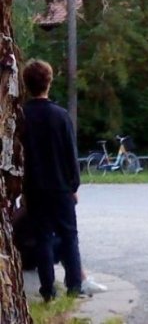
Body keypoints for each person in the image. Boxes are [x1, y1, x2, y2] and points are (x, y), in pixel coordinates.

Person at [22, 59, 83, 301]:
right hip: (61, 187)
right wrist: (73, 185)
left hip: (35, 187)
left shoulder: (22, 117)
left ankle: (48, 289)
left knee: (43, 238)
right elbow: (70, 155)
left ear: (26, 84)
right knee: (69, 236)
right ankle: (74, 285)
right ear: (49, 81)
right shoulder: (61, 116)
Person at [11, 199, 107, 295]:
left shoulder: (23, 213)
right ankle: (79, 280)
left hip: (25, 254)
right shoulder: (31, 214)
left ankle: (58, 286)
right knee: (66, 241)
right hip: (28, 256)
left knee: (56, 240)